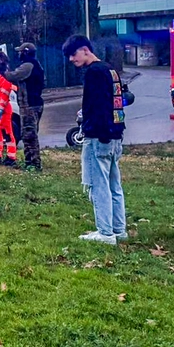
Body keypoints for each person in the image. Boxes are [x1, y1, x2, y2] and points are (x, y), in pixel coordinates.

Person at [64, 34, 127, 245]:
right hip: (115, 135)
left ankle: (105, 233)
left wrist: (91, 127)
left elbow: (99, 106)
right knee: (114, 186)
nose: (71, 59)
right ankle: (119, 230)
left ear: (85, 50)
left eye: (73, 54)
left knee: (98, 186)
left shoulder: (94, 73)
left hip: (100, 137)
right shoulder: (110, 69)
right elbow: (117, 101)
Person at [5, 42, 45, 171]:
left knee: (29, 135)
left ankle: (33, 164)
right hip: (35, 103)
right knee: (30, 133)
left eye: (20, 51)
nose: (18, 54)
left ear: (26, 52)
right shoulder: (37, 64)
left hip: (29, 104)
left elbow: (12, 76)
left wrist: (2, 70)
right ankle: (30, 162)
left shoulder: (28, 65)